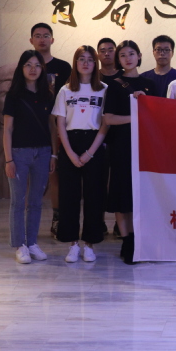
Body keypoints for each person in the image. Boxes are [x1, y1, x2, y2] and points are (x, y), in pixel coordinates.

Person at [53, 46, 109, 263]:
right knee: (69, 197)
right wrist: (69, 153)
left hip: (94, 143)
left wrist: (89, 153)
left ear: (95, 64)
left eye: (90, 59)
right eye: (81, 59)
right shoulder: (65, 90)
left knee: (95, 196)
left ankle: (90, 244)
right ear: (75, 63)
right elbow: (60, 123)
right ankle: (72, 244)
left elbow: (105, 124)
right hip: (70, 143)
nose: (86, 63)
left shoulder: (103, 89)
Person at [104, 41, 157, 264]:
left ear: (139, 56)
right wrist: (134, 118)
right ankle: (126, 240)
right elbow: (108, 119)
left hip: (145, 146)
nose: (128, 58)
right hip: (121, 146)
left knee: (140, 194)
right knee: (121, 194)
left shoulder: (150, 84)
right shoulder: (113, 85)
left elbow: (158, 116)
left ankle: (139, 238)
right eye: (123, 55)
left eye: (131, 54)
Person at [3, 50, 57, 264]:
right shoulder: (14, 95)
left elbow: (52, 126)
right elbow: (7, 129)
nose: (33, 69)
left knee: (36, 201)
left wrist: (53, 154)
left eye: (37, 65)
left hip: (43, 152)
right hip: (19, 153)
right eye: (28, 65)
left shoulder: (47, 95)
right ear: (21, 68)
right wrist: (8, 159)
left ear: (42, 69)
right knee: (18, 201)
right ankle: (20, 245)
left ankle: (32, 242)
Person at [29, 23, 71, 240]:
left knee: (56, 176)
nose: (42, 39)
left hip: (58, 126)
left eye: (46, 35)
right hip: (33, 126)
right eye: (38, 36)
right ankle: (29, 223)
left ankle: (58, 218)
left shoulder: (63, 67)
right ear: (31, 40)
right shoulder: (27, 65)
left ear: (52, 40)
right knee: (32, 177)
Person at [97, 37, 121, 237]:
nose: (107, 53)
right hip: (96, 136)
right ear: (98, 54)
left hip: (120, 135)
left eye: (110, 49)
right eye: (103, 50)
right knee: (99, 181)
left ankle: (120, 223)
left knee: (119, 180)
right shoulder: (92, 76)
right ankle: (99, 221)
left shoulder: (124, 76)